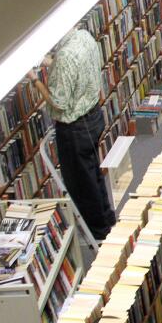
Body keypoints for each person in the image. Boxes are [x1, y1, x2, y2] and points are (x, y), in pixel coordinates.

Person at [30, 27, 116, 240]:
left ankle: (99, 233)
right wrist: (50, 63)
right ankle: (107, 219)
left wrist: (34, 79)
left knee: (81, 186)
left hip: (75, 129)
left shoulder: (66, 56)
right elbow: (76, 68)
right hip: (94, 117)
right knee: (93, 174)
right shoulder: (84, 37)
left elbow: (58, 103)